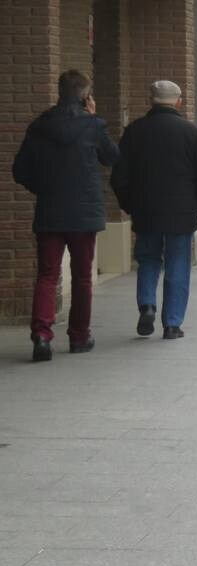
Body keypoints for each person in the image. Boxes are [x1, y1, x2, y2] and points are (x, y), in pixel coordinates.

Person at [12, 70, 119, 361]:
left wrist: (43, 188)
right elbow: (112, 157)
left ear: (60, 92)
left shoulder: (39, 127)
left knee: (47, 274)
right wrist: (95, 119)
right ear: (86, 96)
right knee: (82, 276)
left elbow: (19, 170)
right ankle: (79, 337)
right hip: (83, 214)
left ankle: (42, 335)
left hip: (49, 211)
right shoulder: (93, 125)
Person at [111, 81, 197, 340]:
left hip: (146, 211)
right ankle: (172, 323)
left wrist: (130, 205)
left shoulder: (134, 131)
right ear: (178, 101)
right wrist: (196, 204)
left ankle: (147, 305)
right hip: (181, 212)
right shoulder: (192, 133)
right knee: (178, 264)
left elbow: (119, 176)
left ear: (151, 100)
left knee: (148, 259)